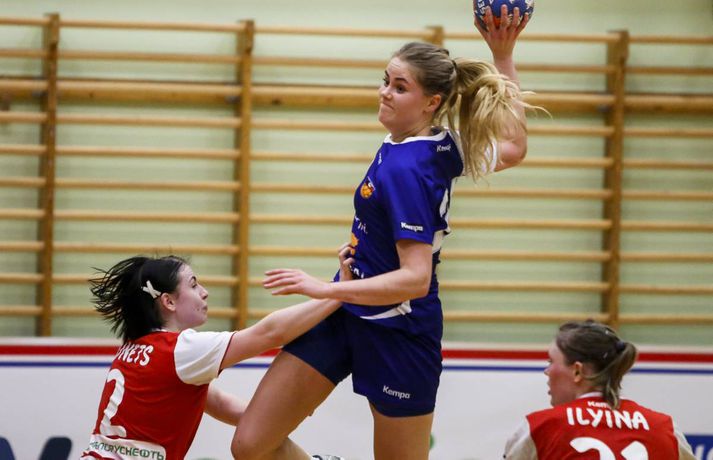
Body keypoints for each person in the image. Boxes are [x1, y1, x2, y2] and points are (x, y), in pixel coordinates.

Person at [231, 5, 535, 460]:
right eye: (386, 80)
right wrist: (503, 56)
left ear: (431, 103)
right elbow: (513, 146)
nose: (385, 92)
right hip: (347, 306)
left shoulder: (409, 169)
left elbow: (415, 278)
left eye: (400, 87)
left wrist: (320, 288)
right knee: (251, 444)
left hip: (400, 327)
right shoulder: (433, 144)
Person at [80, 252, 352, 460]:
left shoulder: (134, 347)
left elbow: (217, 403)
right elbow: (270, 333)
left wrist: (280, 412)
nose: (204, 292)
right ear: (169, 301)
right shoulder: (182, 349)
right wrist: (337, 293)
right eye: (193, 285)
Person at [503, 320, 696, 459]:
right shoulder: (666, 429)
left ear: (577, 371)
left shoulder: (540, 428)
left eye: (551, 362)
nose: (547, 371)